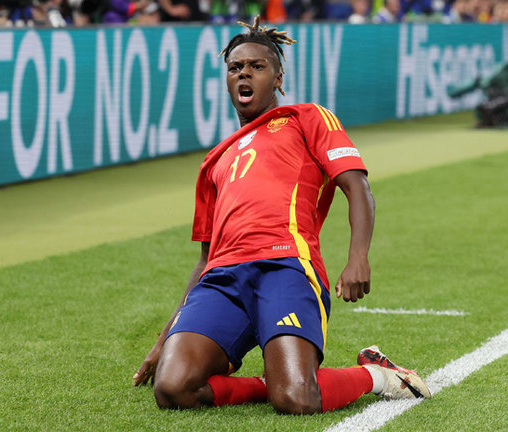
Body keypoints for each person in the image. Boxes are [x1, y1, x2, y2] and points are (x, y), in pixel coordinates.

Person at [133, 16, 431, 414]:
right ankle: (268, 382)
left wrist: (358, 256)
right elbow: (206, 259)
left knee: (296, 400)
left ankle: (378, 375)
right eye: (236, 67)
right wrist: (163, 340)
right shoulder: (214, 161)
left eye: (257, 67)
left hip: (285, 267)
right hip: (223, 280)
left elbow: (357, 186)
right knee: (172, 389)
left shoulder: (307, 118)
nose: (244, 74)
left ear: (277, 77)